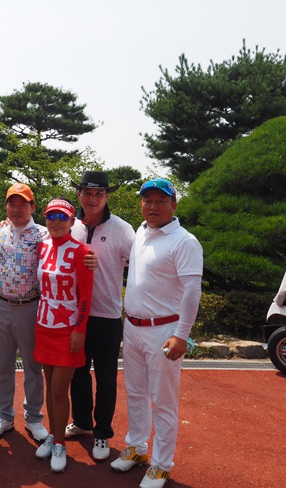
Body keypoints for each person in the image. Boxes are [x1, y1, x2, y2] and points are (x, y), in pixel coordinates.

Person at [110, 178, 203, 488]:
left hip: (164, 331)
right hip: (132, 327)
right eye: (147, 200)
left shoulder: (184, 241)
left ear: (173, 205)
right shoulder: (141, 232)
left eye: (160, 200)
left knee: (163, 401)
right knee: (135, 393)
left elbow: (192, 290)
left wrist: (182, 334)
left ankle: (161, 465)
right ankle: (137, 447)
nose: (153, 206)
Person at [65, 171, 135, 461]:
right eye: (87, 193)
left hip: (107, 315)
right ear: (79, 194)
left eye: (99, 194)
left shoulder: (123, 230)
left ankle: (103, 432)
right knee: (78, 373)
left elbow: (139, 266)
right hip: (75, 315)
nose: (92, 199)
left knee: (106, 378)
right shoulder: (70, 225)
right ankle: (82, 422)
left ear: (107, 197)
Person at [0, 183, 49, 442]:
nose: (17, 209)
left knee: (33, 367)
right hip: (1, 305)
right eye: (12, 203)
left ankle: (33, 418)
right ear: (6, 206)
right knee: (3, 367)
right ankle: (4, 415)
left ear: (33, 207)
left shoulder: (44, 234)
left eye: (23, 204)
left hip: (31, 307)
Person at [33, 198, 93, 473]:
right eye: (51, 216)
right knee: (49, 387)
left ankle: (60, 444)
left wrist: (80, 329)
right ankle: (53, 434)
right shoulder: (42, 246)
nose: (56, 222)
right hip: (43, 325)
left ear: (71, 221)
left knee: (59, 390)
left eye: (62, 217)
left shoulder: (82, 252)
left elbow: (86, 295)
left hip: (68, 328)